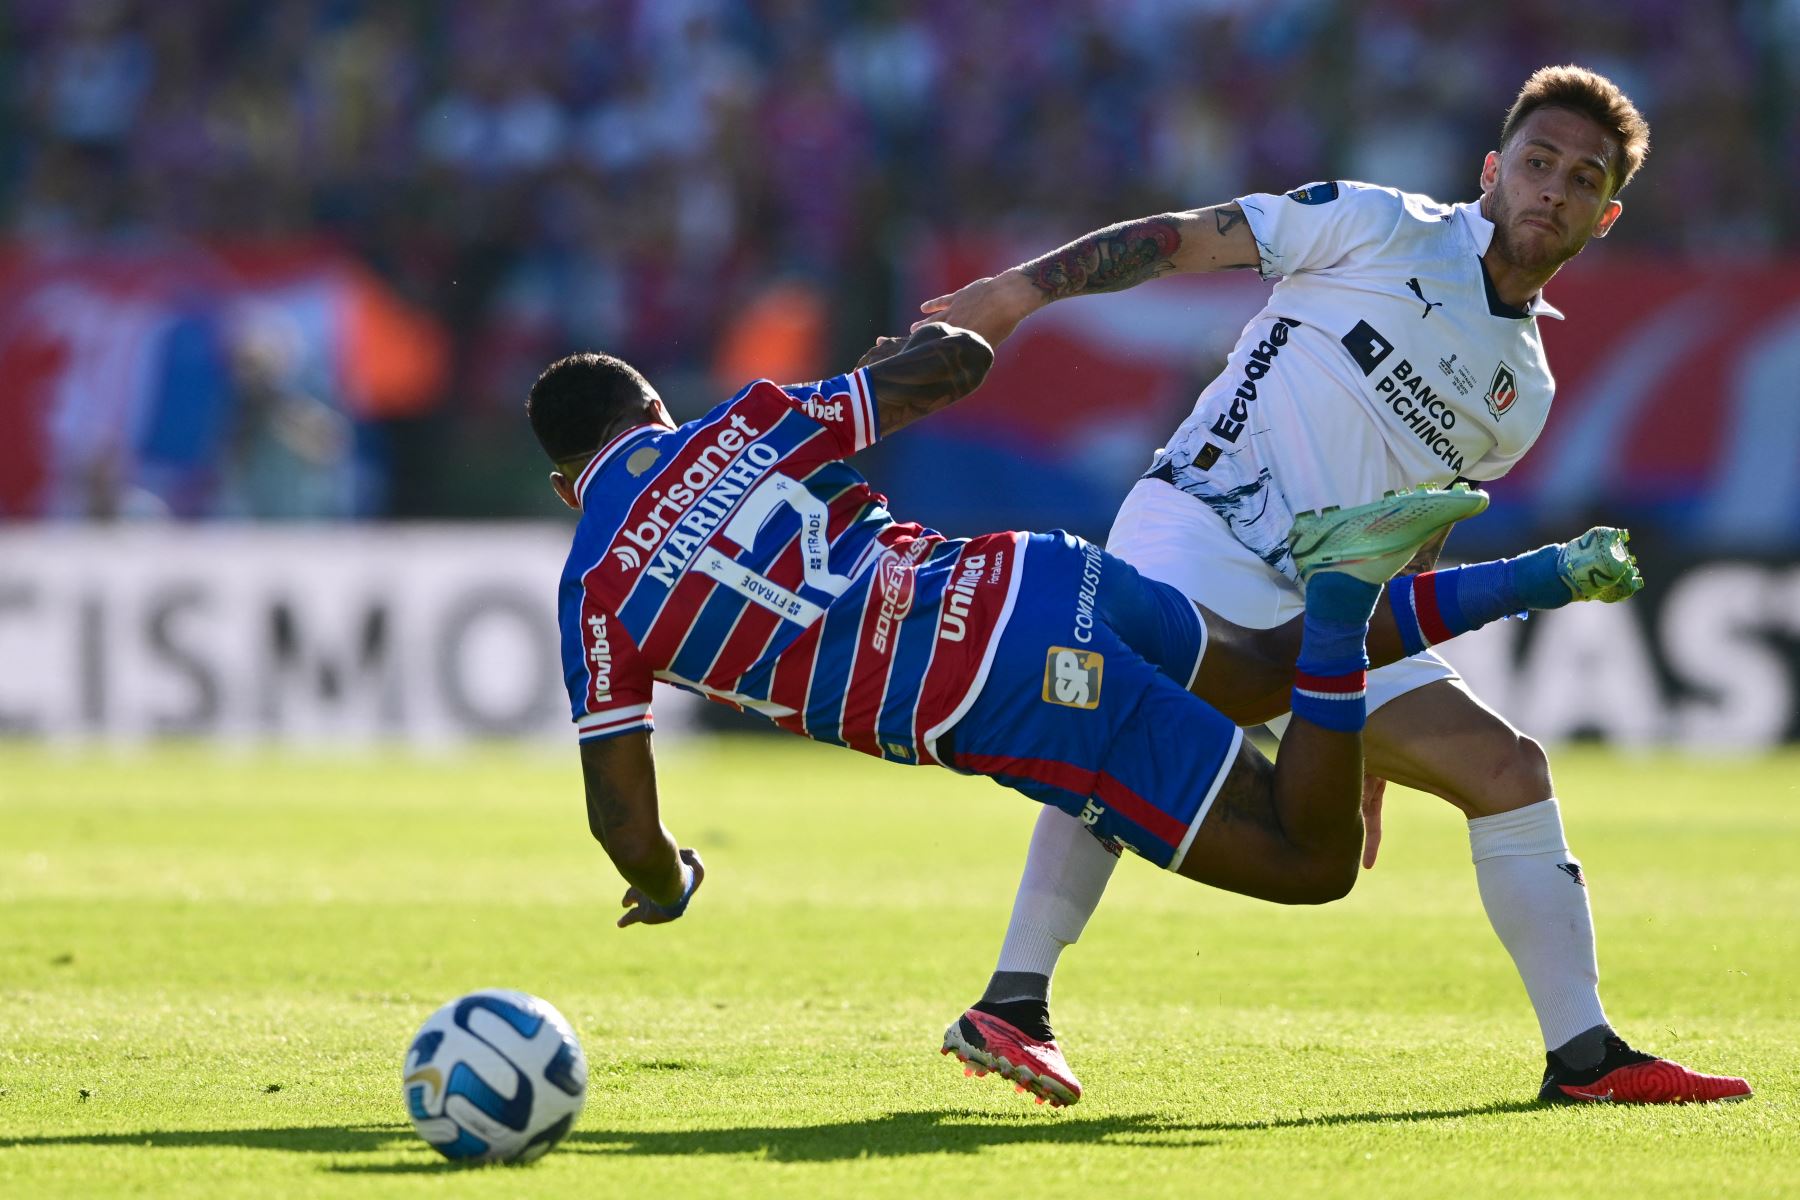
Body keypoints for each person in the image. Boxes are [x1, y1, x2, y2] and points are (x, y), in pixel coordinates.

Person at [527, 317, 1648, 1104]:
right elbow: (949, 367)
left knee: (1311, 863)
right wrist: (909, 353)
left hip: (1001, 687)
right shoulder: (743, 422)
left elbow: (621, 821)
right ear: (653, 411)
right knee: (1267, 668)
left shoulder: (594, 591)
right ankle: (1544, 573)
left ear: (564, 482)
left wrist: (666, 879)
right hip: (1039, 571)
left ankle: (1347, 596)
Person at [917, 65, 1751, 1107]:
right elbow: (1184, 236)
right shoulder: (1375, 225)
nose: (1554, 190)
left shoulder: (1522, 393)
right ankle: (1016, 1000)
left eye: (1583, 180)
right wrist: (1015, 292)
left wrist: (1355, 745)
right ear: (1493, 170)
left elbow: (1415, 540)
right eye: (1538, 163)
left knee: (1509, 772)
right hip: (1200, 529)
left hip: (1328, 613)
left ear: (1606, 216)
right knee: (1150, 705)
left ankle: (1584, 1056)